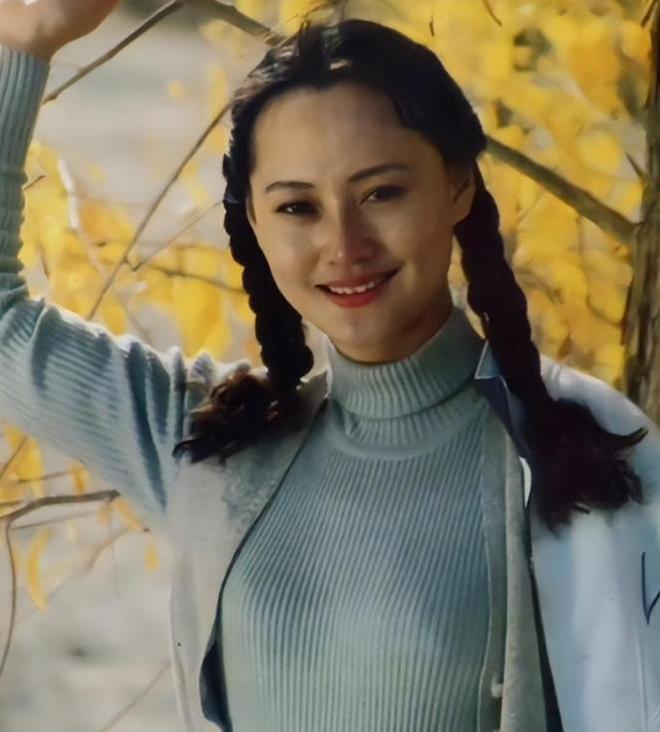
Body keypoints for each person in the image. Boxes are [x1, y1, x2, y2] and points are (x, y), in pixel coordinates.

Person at [1, 4, 659, 732]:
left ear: (458, 186)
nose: (344, 245)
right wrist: (20, 45)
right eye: (297, 208)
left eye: (381, 193)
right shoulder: (216, 450)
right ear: (253, 221)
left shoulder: (584, 453)